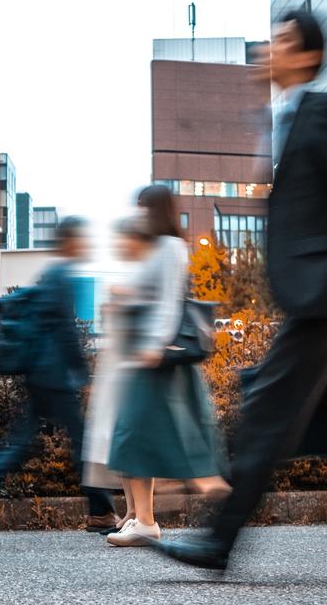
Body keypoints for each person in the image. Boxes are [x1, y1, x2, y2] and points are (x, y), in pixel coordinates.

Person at [149, 10, 327, 580]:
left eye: (283, 41)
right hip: (316, 292)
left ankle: (219, 542)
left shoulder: (319, 109)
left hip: (324, 293)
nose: (270, 49)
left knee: (265, 417)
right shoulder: (282, 116)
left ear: (307, 56)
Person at [102, 189, 228, 548]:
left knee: (137, 434)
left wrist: (156, 345)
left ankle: (157, 513)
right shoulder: (159, 247)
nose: (138, 214)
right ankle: (144, 518)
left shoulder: (171, 248)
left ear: (154, 209)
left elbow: (170, 302)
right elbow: (151, 294)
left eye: (142, 207)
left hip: (155, 356)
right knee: (136, 436)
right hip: (145, 354)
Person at [0, 217, 120, 533]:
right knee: (82, 442)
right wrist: (83, 377)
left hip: (40, 373)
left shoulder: (51, 274)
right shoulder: (61, 277)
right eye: (83, 239)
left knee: (21, 442)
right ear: (70, 241)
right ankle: (100, 513)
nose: (87, 245)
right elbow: (66, 333)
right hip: (54, 377)